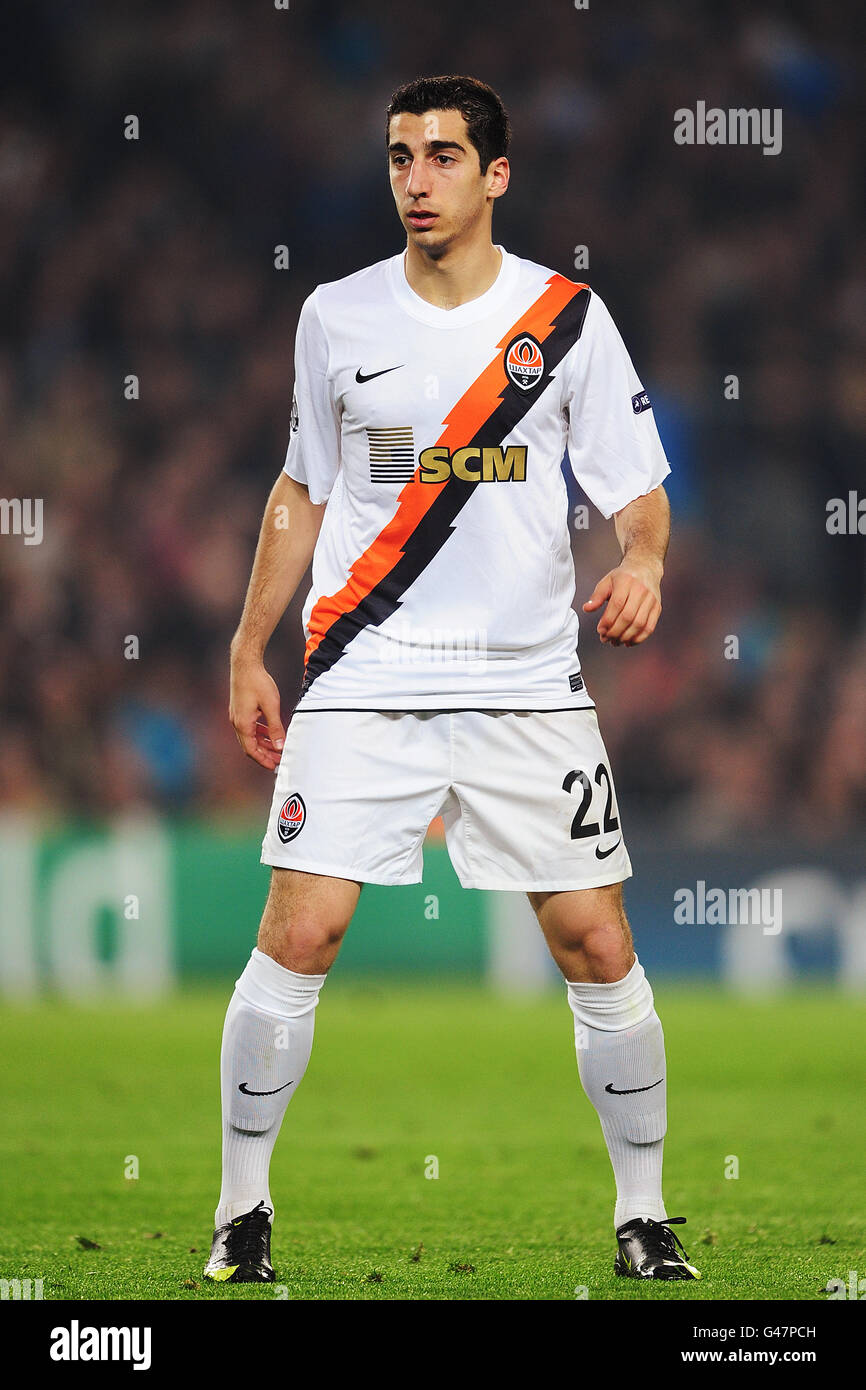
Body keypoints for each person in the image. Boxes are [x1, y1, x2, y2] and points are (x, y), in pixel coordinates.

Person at [203, 74, 699, 1285]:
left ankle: (642, 1216)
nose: (413, 179)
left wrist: (640, 558)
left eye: (438, 156)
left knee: (594, 942)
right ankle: (241, 1211)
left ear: (495, 176)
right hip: (364, 671)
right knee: (301, 930)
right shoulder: (336, 314)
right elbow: (301, 488)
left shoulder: (566, 317)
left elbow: (638, 485)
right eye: (396, 158)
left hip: (527, 683)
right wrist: (248, 642)